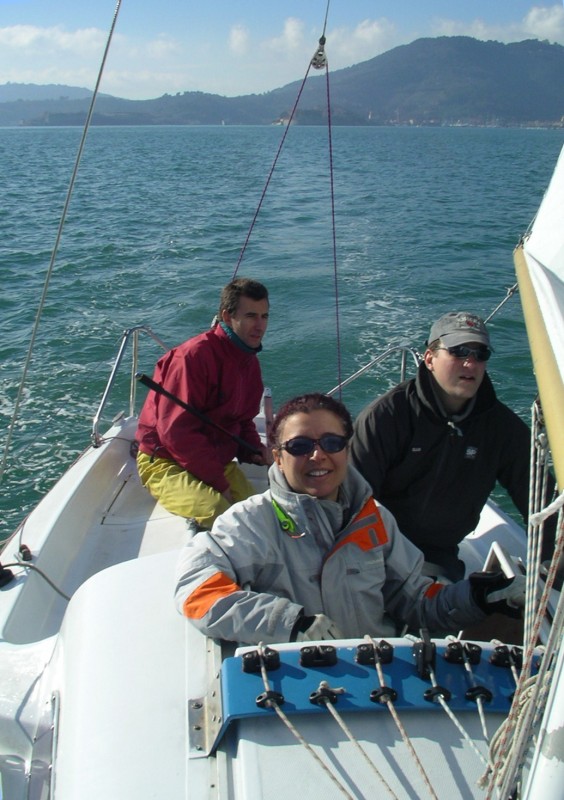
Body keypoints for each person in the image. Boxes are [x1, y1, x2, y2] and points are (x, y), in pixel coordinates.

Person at [174, 392, 524, 644]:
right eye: (299, 446)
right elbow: (196, 591)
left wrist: (475, 597)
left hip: (381, 677)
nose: (317, 456)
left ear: (347, 449)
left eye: (332, 443)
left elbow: (416, 601)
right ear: (277, 457)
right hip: (296, 687)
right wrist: (288, 622)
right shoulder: (250, 523)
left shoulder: (375, 520)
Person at [350, 310, 553, 582]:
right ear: (429, 358)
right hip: (379, 545)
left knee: (443, 600)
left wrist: (552, 568)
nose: (470, 363)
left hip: (436, 554)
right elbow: (352, 498)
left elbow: (541, 500)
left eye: (480, 354)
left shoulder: (501, 428)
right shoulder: (387, 416)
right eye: (459, 351)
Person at [136, 277, 271, 530]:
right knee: (221, 513)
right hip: (164, 460)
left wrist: (253, 450)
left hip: (214, 459)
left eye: (264, 316)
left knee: (260, 515)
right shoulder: (193, 357)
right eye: (251, 316)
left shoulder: (249, 362)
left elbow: (242, 421)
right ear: (227, 316)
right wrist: (218, 484)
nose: (260, 325)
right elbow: (176, 433)